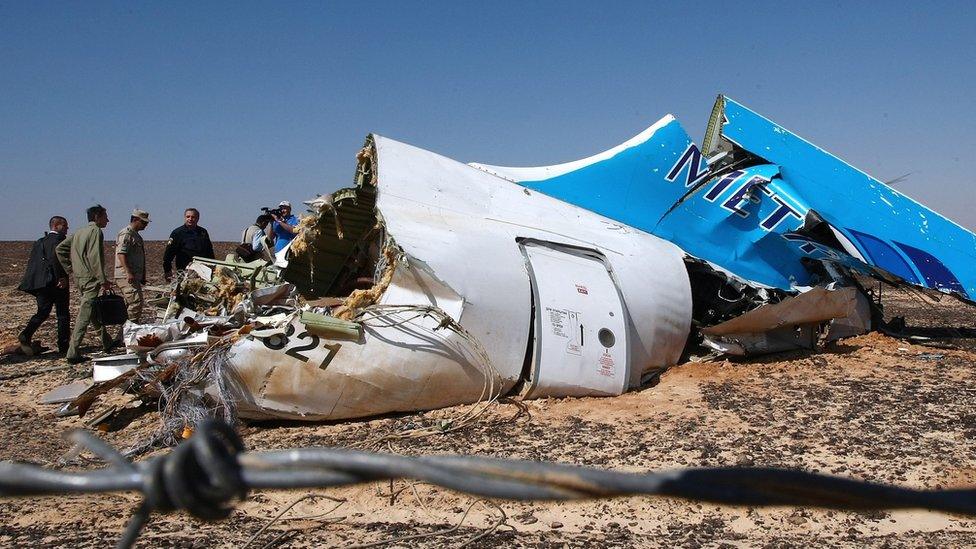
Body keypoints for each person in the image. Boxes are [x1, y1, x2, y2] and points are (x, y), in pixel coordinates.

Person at [56, 205, 115, 364]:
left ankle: (106, 341)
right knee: (84, 314)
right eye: (105, 216)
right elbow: (95, 258)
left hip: (80, 278)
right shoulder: (95, 231)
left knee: (92, 310)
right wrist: (103, 280)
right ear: (97, 217)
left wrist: (71, 268)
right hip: (90, 279)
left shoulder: (79, 232)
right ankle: (73, 352)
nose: (108, 220)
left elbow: (60, 249)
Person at [17, 216, 71, 355]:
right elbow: (56, 258)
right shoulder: (58, 241)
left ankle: (27, 334)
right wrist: (62, 277)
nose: (66, 229)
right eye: (64, 226)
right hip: (56, 283)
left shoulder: (40, 242)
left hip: (41, 284)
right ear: (56, 226)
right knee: (62, 314)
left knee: (43, 312)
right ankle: (64, 346)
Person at [115, 209, 150, 322]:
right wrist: (128, 272)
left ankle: (123, 335)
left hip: (134, 276)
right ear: (135, 220)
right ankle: (129, 330)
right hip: (126, 276)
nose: (146, 225)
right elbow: (121, 254)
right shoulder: (127, 234)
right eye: (143, 222)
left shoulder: (136, 236)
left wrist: (142, 276)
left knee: (130, 304)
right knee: (135, 304)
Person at [163, 207, 215, 282]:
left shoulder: (203, 232)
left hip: (203, 272)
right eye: (188, 217)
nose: (190, 219)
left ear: (198, 219)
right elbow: (169, 254)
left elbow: (209, 251)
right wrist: (167, 271)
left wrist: (213, 267)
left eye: (193, 217)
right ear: (185, 217)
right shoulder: (177, 233)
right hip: (185, 271)